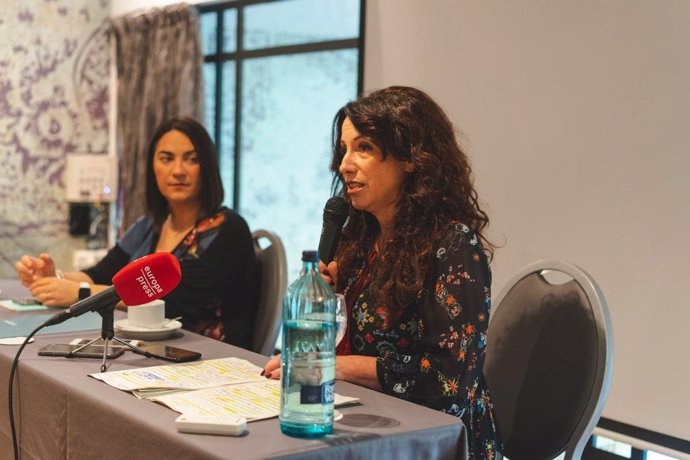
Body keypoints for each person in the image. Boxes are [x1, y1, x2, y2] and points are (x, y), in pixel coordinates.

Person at [263, 86, 501, 458]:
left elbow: (449, 383)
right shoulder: (359, 239)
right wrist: (324, 320)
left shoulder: (453, 246)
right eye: (344, 150)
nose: (345, 164)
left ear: (411, 159)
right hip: (369, 423)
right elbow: (350, 349)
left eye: (364, 148)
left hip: (436, 442)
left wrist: (342, 366)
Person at [15, 117, 260, 349]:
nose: (178, 170)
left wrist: (79, 294)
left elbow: (165, 301)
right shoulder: (150, 224)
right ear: (152, 166)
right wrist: (55, 277)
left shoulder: (228, 229)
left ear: (207, 167)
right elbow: (101, 273)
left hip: (213, 357)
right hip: (151, 348)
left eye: (191, 159)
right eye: (166, 159)